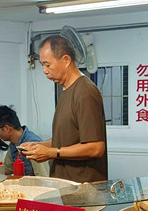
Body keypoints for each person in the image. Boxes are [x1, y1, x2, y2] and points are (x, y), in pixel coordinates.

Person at [21, 35, 108, 183]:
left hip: (84, 189)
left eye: (48, 65)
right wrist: (39, 147)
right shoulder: (66, 90)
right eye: (42, 65)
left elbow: (95, 147)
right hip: (66, 186)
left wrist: (51, 152)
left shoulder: (84, 92)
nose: (44, 71)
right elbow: (67, 139)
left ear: (66, 60)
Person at [0, 105, 50, 177]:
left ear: (7, 128)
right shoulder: (13, 144)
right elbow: (8, 169)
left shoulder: (33, 144)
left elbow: (43, 177)